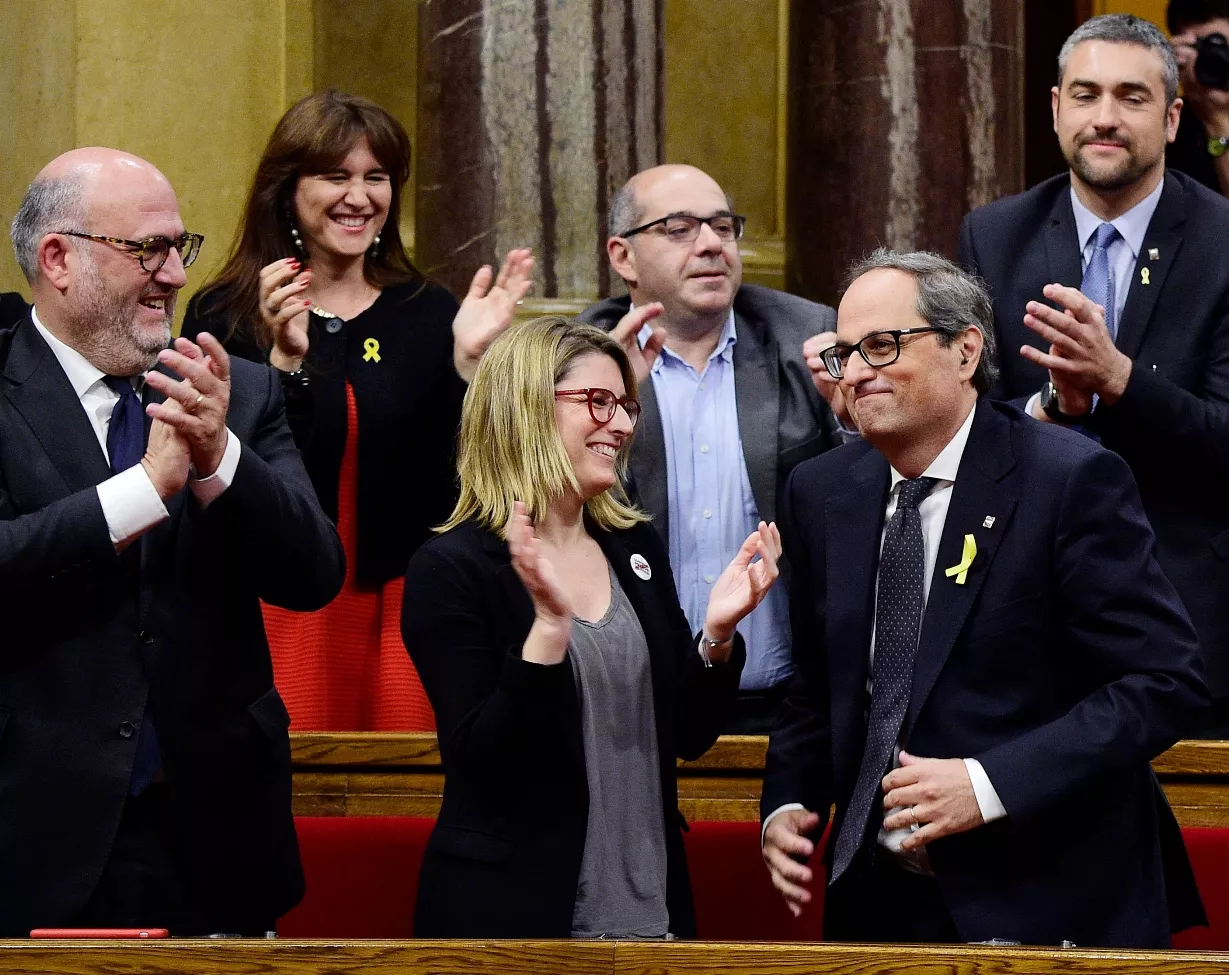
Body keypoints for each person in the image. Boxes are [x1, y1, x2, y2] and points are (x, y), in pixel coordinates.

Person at [760, 250, 1207, 947]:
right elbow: (818, 685)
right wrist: (786, 798)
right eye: (844, 352)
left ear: (964, 349)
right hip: (881, 905)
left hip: (1049, 898)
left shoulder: (1068, 479)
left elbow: (1165, 680)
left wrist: (987, 781)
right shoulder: (820, 490)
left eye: (882, 345)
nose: (854, 372)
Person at [0, 148, 344, 935]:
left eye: (177, 247)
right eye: (146, 249)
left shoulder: (238, 389)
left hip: (216, 836)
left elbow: (313, 573)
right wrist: (141, 490)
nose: (175, 275)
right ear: (59, 258)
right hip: (34, 830)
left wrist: (219, 455)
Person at [402, 316, 782, 938]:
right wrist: (549, 631)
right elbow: (484, 764)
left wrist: (716, 639)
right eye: (598, 403)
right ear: (524, 408)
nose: (624, 424)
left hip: (650, 912)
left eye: (627, 405)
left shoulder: (632, 544)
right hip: (514, 919)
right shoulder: (451, 569)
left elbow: (687, 735)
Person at [183, 90, 532, 732]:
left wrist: (470, 367)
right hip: (269, 601)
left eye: (376, 178)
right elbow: (223, 478)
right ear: (288, 189)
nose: (359, 196)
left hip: (399, 606)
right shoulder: (223, 314)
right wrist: (284, 362)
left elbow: (466, 486)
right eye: (335, 176)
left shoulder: (430, 312)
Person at [957, 14, 1229, 731]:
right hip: (1025, 617)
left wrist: (1118, 379)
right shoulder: (993, 234)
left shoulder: (1221, 244)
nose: (1103, 118)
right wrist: (1053, 405)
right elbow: (965, 431)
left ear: (1172, 119)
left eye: (1131, 98)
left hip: (1186, 622)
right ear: (1054, 109)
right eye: (1085, 95)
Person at [577, 164, 842, 733]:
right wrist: (607, 396)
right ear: (623, 257)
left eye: (722, 226)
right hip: (629, 706)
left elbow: (875, 490)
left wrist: (855, 423)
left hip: (789, 706)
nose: (710, 245)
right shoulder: (582, 363)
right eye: (679, 228)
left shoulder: (807, 338)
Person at [1167, 0, 1229, 194]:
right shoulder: (1170, 123)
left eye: (1220, 47)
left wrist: (1216, 120)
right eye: (1201, 49)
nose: (1213, 59)